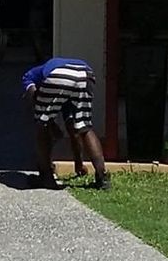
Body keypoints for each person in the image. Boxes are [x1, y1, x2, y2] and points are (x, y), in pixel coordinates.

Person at [22, 56, 109, 190]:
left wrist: (46, 121)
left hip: (58, 74)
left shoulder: (31, 76)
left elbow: (35, 98)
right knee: (84, 126)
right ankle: (102, 177)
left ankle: (46, 177)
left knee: (41, 125)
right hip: (85, 74)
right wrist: (78, 165)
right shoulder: (65, 95)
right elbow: (73, 129)